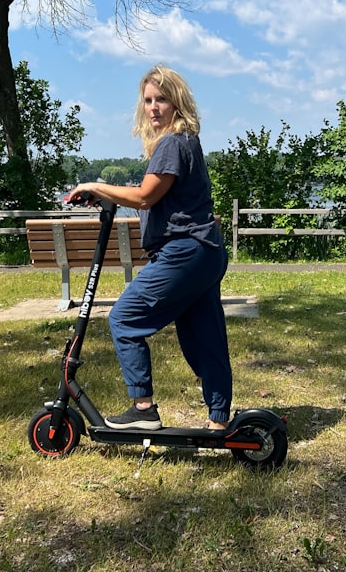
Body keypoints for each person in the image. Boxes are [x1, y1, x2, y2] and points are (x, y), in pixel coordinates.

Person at [69, 65, 231, 431]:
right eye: (148, 100)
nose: (154, 107)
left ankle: (143, 409)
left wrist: (97, 185)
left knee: (124, 318)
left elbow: (144, 197)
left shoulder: (172, 143)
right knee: (203, 338)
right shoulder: (187, 141)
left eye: (162, 99)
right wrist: (107, 195)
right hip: (205, 251)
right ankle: (220, 420)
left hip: (185, 252)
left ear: (177, 103)